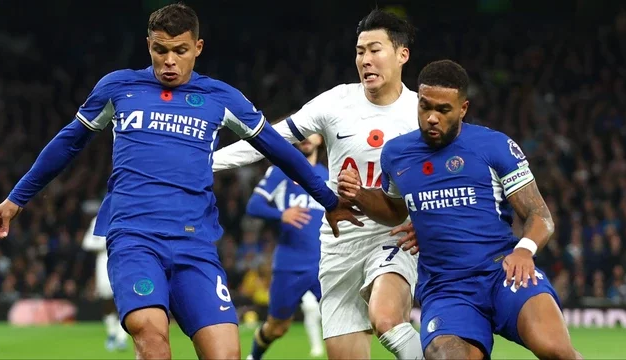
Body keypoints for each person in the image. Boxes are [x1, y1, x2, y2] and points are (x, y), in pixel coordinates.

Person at [0, 4, 360, 360]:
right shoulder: (118, 88)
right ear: (148, 44)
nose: (169, 61)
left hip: (195, 242)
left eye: (180, 50)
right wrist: (16, 199)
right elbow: (67, 143)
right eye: (160, 49)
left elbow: (280, 150)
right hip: (134, 237)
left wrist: (328, 199)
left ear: (197, 47)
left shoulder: (221, 97)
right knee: (152, 340)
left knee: (225, 352)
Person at [212, 9, 423, 360]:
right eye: (360, 51)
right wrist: (203, 163)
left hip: (393, 237)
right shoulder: (335, 102)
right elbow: (269, 139)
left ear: (402, 54)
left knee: (386, 320)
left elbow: (457, 171)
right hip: (339, 246)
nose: (365, 60)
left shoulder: (420, 111)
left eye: (375, 49)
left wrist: (428, 220)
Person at [337, 59, 582, 359]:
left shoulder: (493, 146)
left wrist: (524, 250)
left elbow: (540, 216)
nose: (431, 118)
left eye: (443, 110)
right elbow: (393, 210)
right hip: (446, 289)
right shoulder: (396, 155)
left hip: (505, 271)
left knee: (557, 350)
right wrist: (359, 194)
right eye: (425, 107)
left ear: (462, 108)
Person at [245, 134, 326, 360]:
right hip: (290, 263)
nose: (306, 138)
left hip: (325, 264)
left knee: (345, 323)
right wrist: (281, 214)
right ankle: (253, 357)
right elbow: (253, 205)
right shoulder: (281, 171)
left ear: (320, 138)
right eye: (301, 133)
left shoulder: (329, 176)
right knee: (277, 327)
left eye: (311, 132)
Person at [81, 215, 128, 352]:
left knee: (123, 299)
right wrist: (106, 242)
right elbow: (87, 242)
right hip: (104, 262)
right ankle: (112, 333)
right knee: (107, 300)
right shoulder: (98, 219)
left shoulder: (126, 213)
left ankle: (121, 338)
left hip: (124, 260)